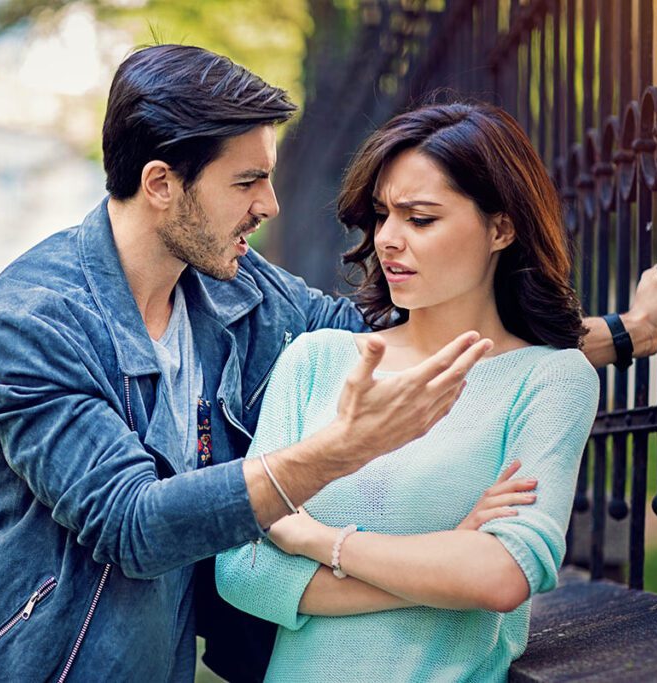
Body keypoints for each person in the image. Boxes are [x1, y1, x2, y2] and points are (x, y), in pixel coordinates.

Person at [0, 45, 657, 682]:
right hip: (34, 665)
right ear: (160, 184)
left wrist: (619, 334)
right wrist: (332, 462)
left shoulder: (236, 293)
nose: (272, 203)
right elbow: (133, 524)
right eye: (247, 181)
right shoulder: (28, 326)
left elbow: (420, 333)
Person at [215, 102, 612, 682]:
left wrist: (316, 539)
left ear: (501, 228)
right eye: (381, 216)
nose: (387, 241)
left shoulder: (550, 379)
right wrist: (444, 557)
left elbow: (501, 575)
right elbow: (242, 568)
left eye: (420, 219)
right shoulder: (316, 360)